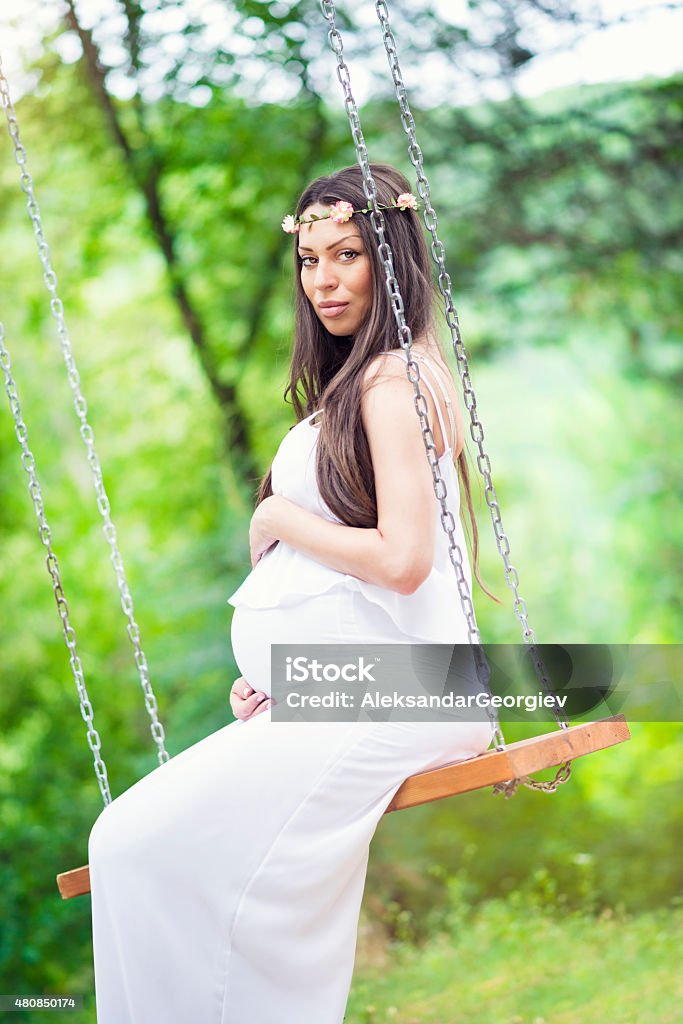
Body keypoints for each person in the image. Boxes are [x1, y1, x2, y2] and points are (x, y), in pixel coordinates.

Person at [87, 163, 496, 1024]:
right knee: (128, 844)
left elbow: (404, 561)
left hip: (405, 694)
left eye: (346, 254)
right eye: (309, 259)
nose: (323, 279)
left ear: (393, 262)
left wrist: (278, 513)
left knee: (139, 848)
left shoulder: (392, 383)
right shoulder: (357, 385)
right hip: (339, 691)